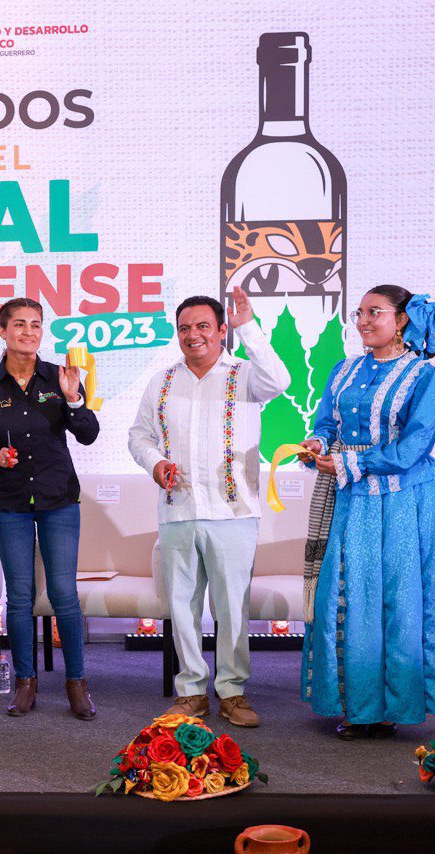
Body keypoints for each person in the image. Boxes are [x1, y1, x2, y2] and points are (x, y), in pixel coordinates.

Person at [299, 286, 435, 739]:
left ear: (402, 320)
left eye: (374, 312)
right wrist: (317, 442)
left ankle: (394, 705)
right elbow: (327, 422)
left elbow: (413, 447)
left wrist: (351, 463)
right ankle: (359, 705)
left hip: (402, 502)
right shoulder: (344, 369)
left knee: (399, 600)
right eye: (359, 312)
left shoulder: (426, 378)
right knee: (349, 595)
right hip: (351, 498)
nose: (362, 321)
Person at [127, 286, 290, 727]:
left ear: (221, 330)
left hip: (233, 512)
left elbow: (280, 381)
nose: (193, 335)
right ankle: (191, 693)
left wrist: (249, 327)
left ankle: (232, 692)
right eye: (184, 328)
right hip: (178, 509)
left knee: (232, 606)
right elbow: (139, 435)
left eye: (203, 326)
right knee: (182, 606)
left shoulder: (245, 374)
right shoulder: (162, 381)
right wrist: (155, 462)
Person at [0, 297, 100, 719]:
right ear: (2, 331)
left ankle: (77, 684)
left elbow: (89, 433)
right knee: (19, 596)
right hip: (9, 503)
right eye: (19, 324)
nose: (28, 332)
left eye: (35, 324)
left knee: (64, 594)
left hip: (59, 500)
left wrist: (74, 400)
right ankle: (25, 683)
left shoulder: (62, 376)